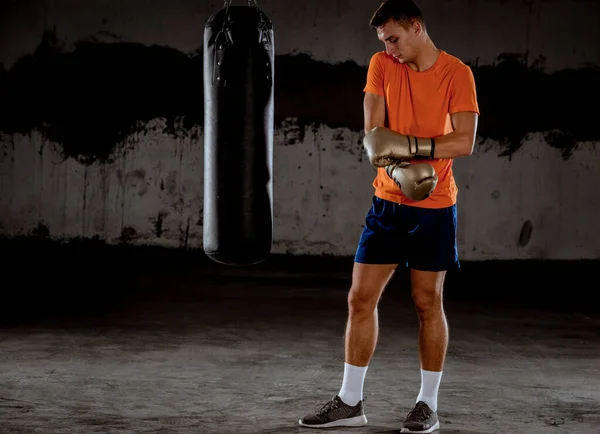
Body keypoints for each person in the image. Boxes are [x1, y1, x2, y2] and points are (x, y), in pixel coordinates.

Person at [298, 0, 480, 432]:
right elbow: (375, 137)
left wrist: (413, 151)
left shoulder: (457, 74)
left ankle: (427, 404)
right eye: (384, 41)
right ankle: (349, 401)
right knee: (359, 299)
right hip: (387, 202)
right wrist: (399, 169)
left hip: (435, 207)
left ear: (416, 27)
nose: (389, 47)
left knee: (426, 302)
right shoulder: (381, 64)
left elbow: (465, 141)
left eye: (394, 38)